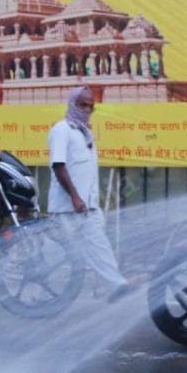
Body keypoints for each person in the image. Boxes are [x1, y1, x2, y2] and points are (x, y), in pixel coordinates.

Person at [47, 86, 132, 301]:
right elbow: (58, 166)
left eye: (91, 106)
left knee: (99, 246)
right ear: (72, 104)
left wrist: (87, 199)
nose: (86, 109)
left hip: (87, 206)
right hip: (67, 207)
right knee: (60, 255)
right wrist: (75, 196)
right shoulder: (62, 130)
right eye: (82, 104)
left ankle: (116, 286)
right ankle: (34, 282)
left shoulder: (85, 133)